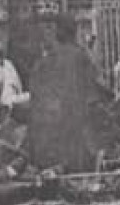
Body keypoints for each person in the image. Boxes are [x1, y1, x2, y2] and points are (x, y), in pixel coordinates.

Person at [28, 14, 103, 172]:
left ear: (57, 33)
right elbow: (93, 92)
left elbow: (36, 95)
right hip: (76, 119)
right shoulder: (81, 56)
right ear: (74, 32)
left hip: (50, 126)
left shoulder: (44, 61)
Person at [0, 40, 27, 114]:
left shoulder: (4, 65)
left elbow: (17, 82)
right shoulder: (0, 66)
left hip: (7, 101)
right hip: (7, 101)